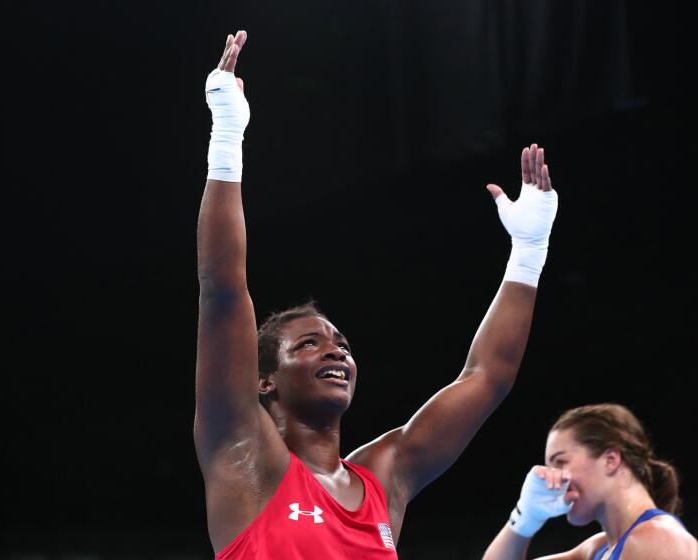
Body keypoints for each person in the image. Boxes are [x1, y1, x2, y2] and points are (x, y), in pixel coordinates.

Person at [195, 30, 558, 558]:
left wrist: (529, 251)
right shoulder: (244, 454)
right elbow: (223, 293)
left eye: (339, 342)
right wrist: (227, 138)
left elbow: (486, 378)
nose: (336, 350)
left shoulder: (383, 479)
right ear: (264, 380)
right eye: (307, 345)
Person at [482, 403, 698, 559]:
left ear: (610, 460)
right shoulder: (598, 549)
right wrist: (525, 517)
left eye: (560, 462)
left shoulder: (659, 541)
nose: (552, 480)